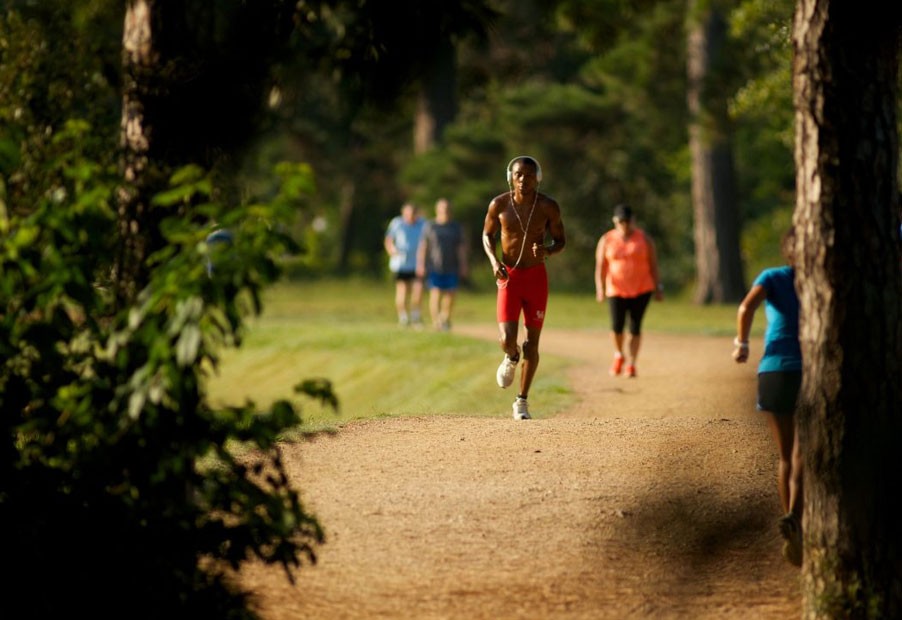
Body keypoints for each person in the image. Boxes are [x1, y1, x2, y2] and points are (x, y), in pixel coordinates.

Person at [732, 229, 803, 567]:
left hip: (773, 369)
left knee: (784, 455)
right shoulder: (823, 278)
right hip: (809, 370)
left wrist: (742, 343)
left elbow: (746, 307)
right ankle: (795, 517)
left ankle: (789, 518)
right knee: (803, 452)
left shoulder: (772, 276)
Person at [482, 155, 566, 420]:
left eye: (529, 176)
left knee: (533, 344)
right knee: (507, 339)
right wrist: (494, 260)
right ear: (511, 177)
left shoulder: (548, 207)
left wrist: (547, 250)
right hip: (509, 277)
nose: (523, 180)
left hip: (536, 278)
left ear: (537, 178)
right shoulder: (499, 204)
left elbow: (561, 240)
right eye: (519, 175)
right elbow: (487, 235)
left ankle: (522, 401)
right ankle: (511, 356)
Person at [594, 203, 663, 378]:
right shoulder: (607, 239)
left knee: (635, 327)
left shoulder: (644, 239)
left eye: (627, 221)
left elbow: (654, 265)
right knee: (617, 327)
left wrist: (658, 287)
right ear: (615, 221)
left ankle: (631, 363)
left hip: (642, 288)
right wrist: (600, 288)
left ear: (633, 221)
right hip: (615, 289)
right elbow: (601, 266)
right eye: (621, 221)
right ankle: (619, 354)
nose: (624, 225)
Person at [416, 197, 469, 331]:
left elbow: (461, 248)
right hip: (434, 266)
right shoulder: (430, 226)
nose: (445, 210)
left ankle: (445, 318)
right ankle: (436, 321)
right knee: (435, 293)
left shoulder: (455, 227)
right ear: (437, 209)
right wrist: (420, 264)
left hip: (452, 265)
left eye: (447, 208)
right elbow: (423, 246)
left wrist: (463, 264)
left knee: (450, 294)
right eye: (442, 208)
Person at [384, 202, 426, 327]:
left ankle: (415, 316)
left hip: (417, 263)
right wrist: (392, 251)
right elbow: (388, 240)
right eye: (408, 213)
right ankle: (403, 317)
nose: (411, 216)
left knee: (418, 290)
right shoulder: (397, 223)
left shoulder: (422, 224)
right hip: (401, 263)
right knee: (402, 291)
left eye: (413, 213)